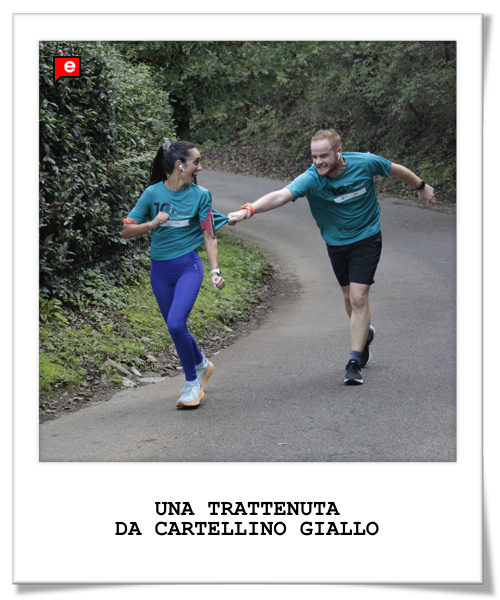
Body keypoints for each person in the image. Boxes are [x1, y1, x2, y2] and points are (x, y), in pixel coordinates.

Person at [228, 129, 435, 386]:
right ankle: (364, 335)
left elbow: (396, 170)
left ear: (338, 152)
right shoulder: (311, 179)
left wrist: (421, 186)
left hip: (367, 237)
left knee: (358, 297)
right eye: (314, 157)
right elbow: (281, 195)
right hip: (336, 243)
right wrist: (249, 210)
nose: (318, 162)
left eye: (324, 156)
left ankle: (354, 362)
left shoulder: (364, 163)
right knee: (348, 297)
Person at [122, 140, 228, 408]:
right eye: (196, 162)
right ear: (180, 165)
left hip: (188, 267)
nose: (200, 167)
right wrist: (151, 223)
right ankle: (202, 364)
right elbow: (126, 231)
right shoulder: (152, 193)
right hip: (159, 271)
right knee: (175, 326)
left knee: (176, 324)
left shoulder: (201, 195)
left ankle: (192, 383)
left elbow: (209, 234)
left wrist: (215, 271)